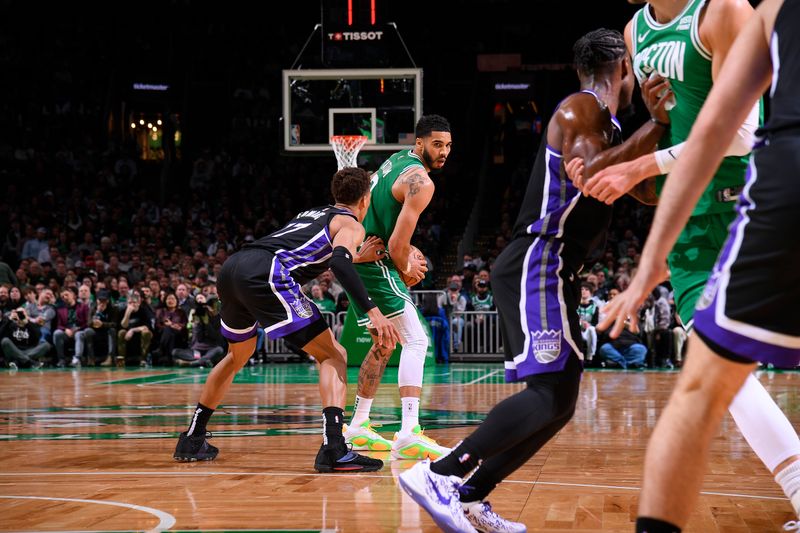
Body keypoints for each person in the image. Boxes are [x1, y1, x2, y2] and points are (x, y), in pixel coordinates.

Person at [398, 28, 669, 532]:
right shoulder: (580, 110)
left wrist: (673, 144)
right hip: (541, 259)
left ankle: (473, 495)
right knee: (546, 393)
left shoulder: (608, 125)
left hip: (557, 266)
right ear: (622, 68)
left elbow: (645, 190)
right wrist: (657, 124)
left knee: (561, 402)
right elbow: (593, 174)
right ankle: (439, 474)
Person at [567, 0, 800, 522]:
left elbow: (739, 133)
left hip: (745, 196)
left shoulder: (724, 12)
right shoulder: (635, 29)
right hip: (692, 208)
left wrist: (636, 167)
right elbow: (676, 127)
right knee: (714, 366)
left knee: (714, 372)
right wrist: (648, 135)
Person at [172, 167, 401, 474]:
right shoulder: (350, 224)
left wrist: (355, 257)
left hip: (233, 268)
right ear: (365, 199)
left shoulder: (312, 213)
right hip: (266, 273)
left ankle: (192, 438)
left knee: (237, 355)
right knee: (334, 354)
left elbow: (306, 251)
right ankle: (334, 448)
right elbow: (338, 263)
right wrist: (374, 310)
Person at [343, 114, 452, 460]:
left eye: (448, 145)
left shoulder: (394, 161)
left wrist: (357, 248)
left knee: (383, 343)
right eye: (437, 144)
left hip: (359, 263)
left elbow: (366, 208)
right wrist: (406, 266)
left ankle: (358, 425)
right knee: (416, 340)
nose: (444, 151)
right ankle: (409, 431)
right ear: (419, 144)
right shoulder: (422, 182)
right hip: (376, 266)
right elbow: (395, 247)